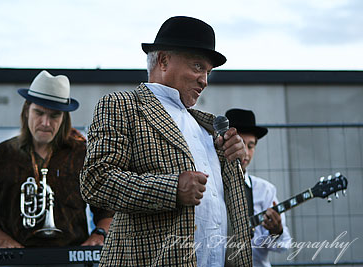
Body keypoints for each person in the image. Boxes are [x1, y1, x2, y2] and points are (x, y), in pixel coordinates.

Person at [80, 16, 252, 266]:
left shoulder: (206, 126)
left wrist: (231, 162)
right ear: (163, 60)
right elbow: (96, 180)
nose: (204, 80)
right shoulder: (123, 105)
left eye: (208, 72)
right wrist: (172, 188)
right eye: (197, 66)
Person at [0, 70, 113, 250]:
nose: (45, 123)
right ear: (26, 111)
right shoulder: (0, 155)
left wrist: (99, 235)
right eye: (39, 113)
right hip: (14, 262)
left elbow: (108, 211)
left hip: (71, 259)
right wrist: (5, 243)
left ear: (64, 118)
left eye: (54, 116)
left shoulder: (83, 154)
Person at [225, 108, 291, 267]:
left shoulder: (265, 190)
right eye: (240, 144)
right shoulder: (212, 186)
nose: (246, 153)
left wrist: (276, 231)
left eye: (251, 145)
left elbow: (284, 245)